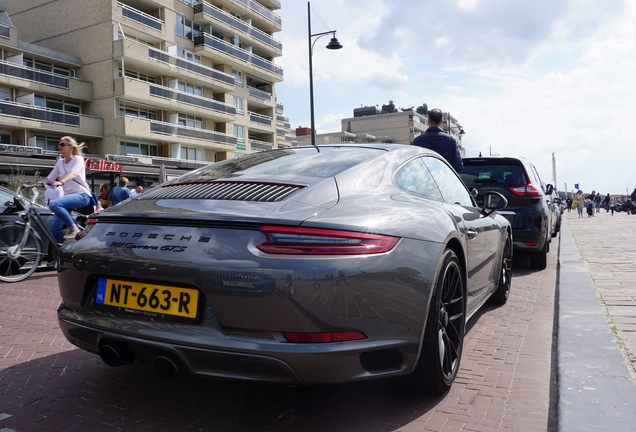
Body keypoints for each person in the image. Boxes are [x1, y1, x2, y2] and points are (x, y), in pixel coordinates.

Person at [42, 136, 92, 243]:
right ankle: (61, 254)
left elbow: (73, 173)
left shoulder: (78, 159)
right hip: (68, 198)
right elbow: (50, 178)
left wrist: (61, 182)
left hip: (82, 195)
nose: (59, 146)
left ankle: (74, 228)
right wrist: (33, 185)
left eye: (63, 144)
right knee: (55, 227)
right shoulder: (60, 162)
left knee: (54, 204)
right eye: (59, 144)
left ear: (71, 147)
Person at [412, 108, 463, 172]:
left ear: (428, 121)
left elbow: (414, 166)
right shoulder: (450, 141)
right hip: (445, 179)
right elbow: (458, 166)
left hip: (425, 180)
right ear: (441, 122)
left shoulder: (417, 141)